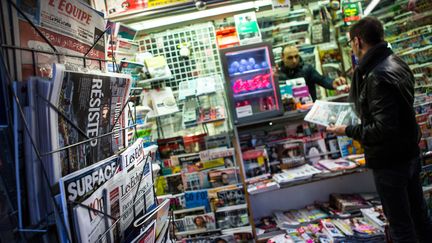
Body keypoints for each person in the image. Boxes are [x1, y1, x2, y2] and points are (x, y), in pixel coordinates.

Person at [327, 16, 432, 242]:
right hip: (409, 153)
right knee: (419, 216)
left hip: (390, 161)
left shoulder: (376, 76)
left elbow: (381, 129)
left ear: (357, 41)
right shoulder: (396, 62)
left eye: (350, 44)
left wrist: (347, 130)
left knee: (401, 224)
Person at [277, 45, 348, 101]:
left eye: (296, 56)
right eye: (290, 58)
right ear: (282, 57)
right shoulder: (277, 74)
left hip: (309, 108)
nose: (294, 61)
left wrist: (333, 83)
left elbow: (322, 80)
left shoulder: (307, 69)